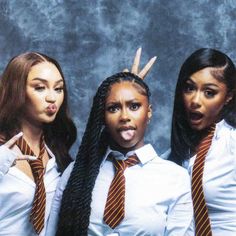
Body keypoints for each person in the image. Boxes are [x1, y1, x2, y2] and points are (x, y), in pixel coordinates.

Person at [46, 72, 194, 236]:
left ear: (149, 112)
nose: (124, 116)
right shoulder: (76, 173)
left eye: (134, 106)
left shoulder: (176, 178)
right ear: (103, 117)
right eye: (113, 108)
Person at [0, 52, 77, 236]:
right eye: (40, 88)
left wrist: (125, 87)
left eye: (58, 89)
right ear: (17, 90)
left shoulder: (56, 153)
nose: (52, 98)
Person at [166, 48, 236, 235]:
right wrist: (126, 91)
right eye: (189, 88)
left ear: (229, 96)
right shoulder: (170, 158)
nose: (195, 100)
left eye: (209, 92)